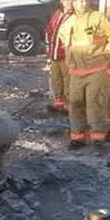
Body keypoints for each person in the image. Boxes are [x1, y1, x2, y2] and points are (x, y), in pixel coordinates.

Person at [58, 0, 110, 149]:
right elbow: (66, 45)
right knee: (75, 103)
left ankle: (98, 136)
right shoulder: (69, 23)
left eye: (84, 1)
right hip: (76, 72)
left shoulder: (98, 18)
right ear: (72, 4)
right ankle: (77, 137)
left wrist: (106, 54)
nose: (82, 4)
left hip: (97, 70)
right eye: (78, 1)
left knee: (95, 103)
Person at [46, 0, 73, 112]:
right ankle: (58, 101)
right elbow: (49, 31)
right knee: (56, 78)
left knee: (67, 80)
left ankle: (68, 105)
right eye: (67, 1)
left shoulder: (74, 17)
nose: (69, 3)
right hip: (54, 53)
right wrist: (48, 53)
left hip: (65, 55)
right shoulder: (57, 13)